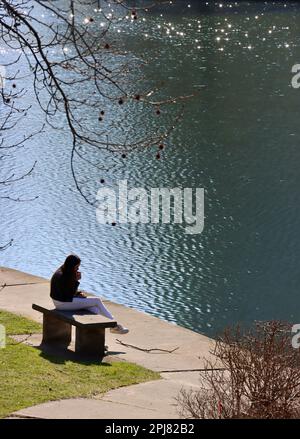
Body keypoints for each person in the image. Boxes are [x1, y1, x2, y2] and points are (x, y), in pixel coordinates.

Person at [50, 254, 129, 334]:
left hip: (60, 302)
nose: (78, 269)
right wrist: (76, 280)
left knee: (95, 309)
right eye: (77, 267)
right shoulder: (63, 276)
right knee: (97, 300)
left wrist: (78, 294)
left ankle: (101, 334)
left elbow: (67, 292)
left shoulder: (63, 271)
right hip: (62, 303)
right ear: (72, 265)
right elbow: (69, 294)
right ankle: (115, 325)